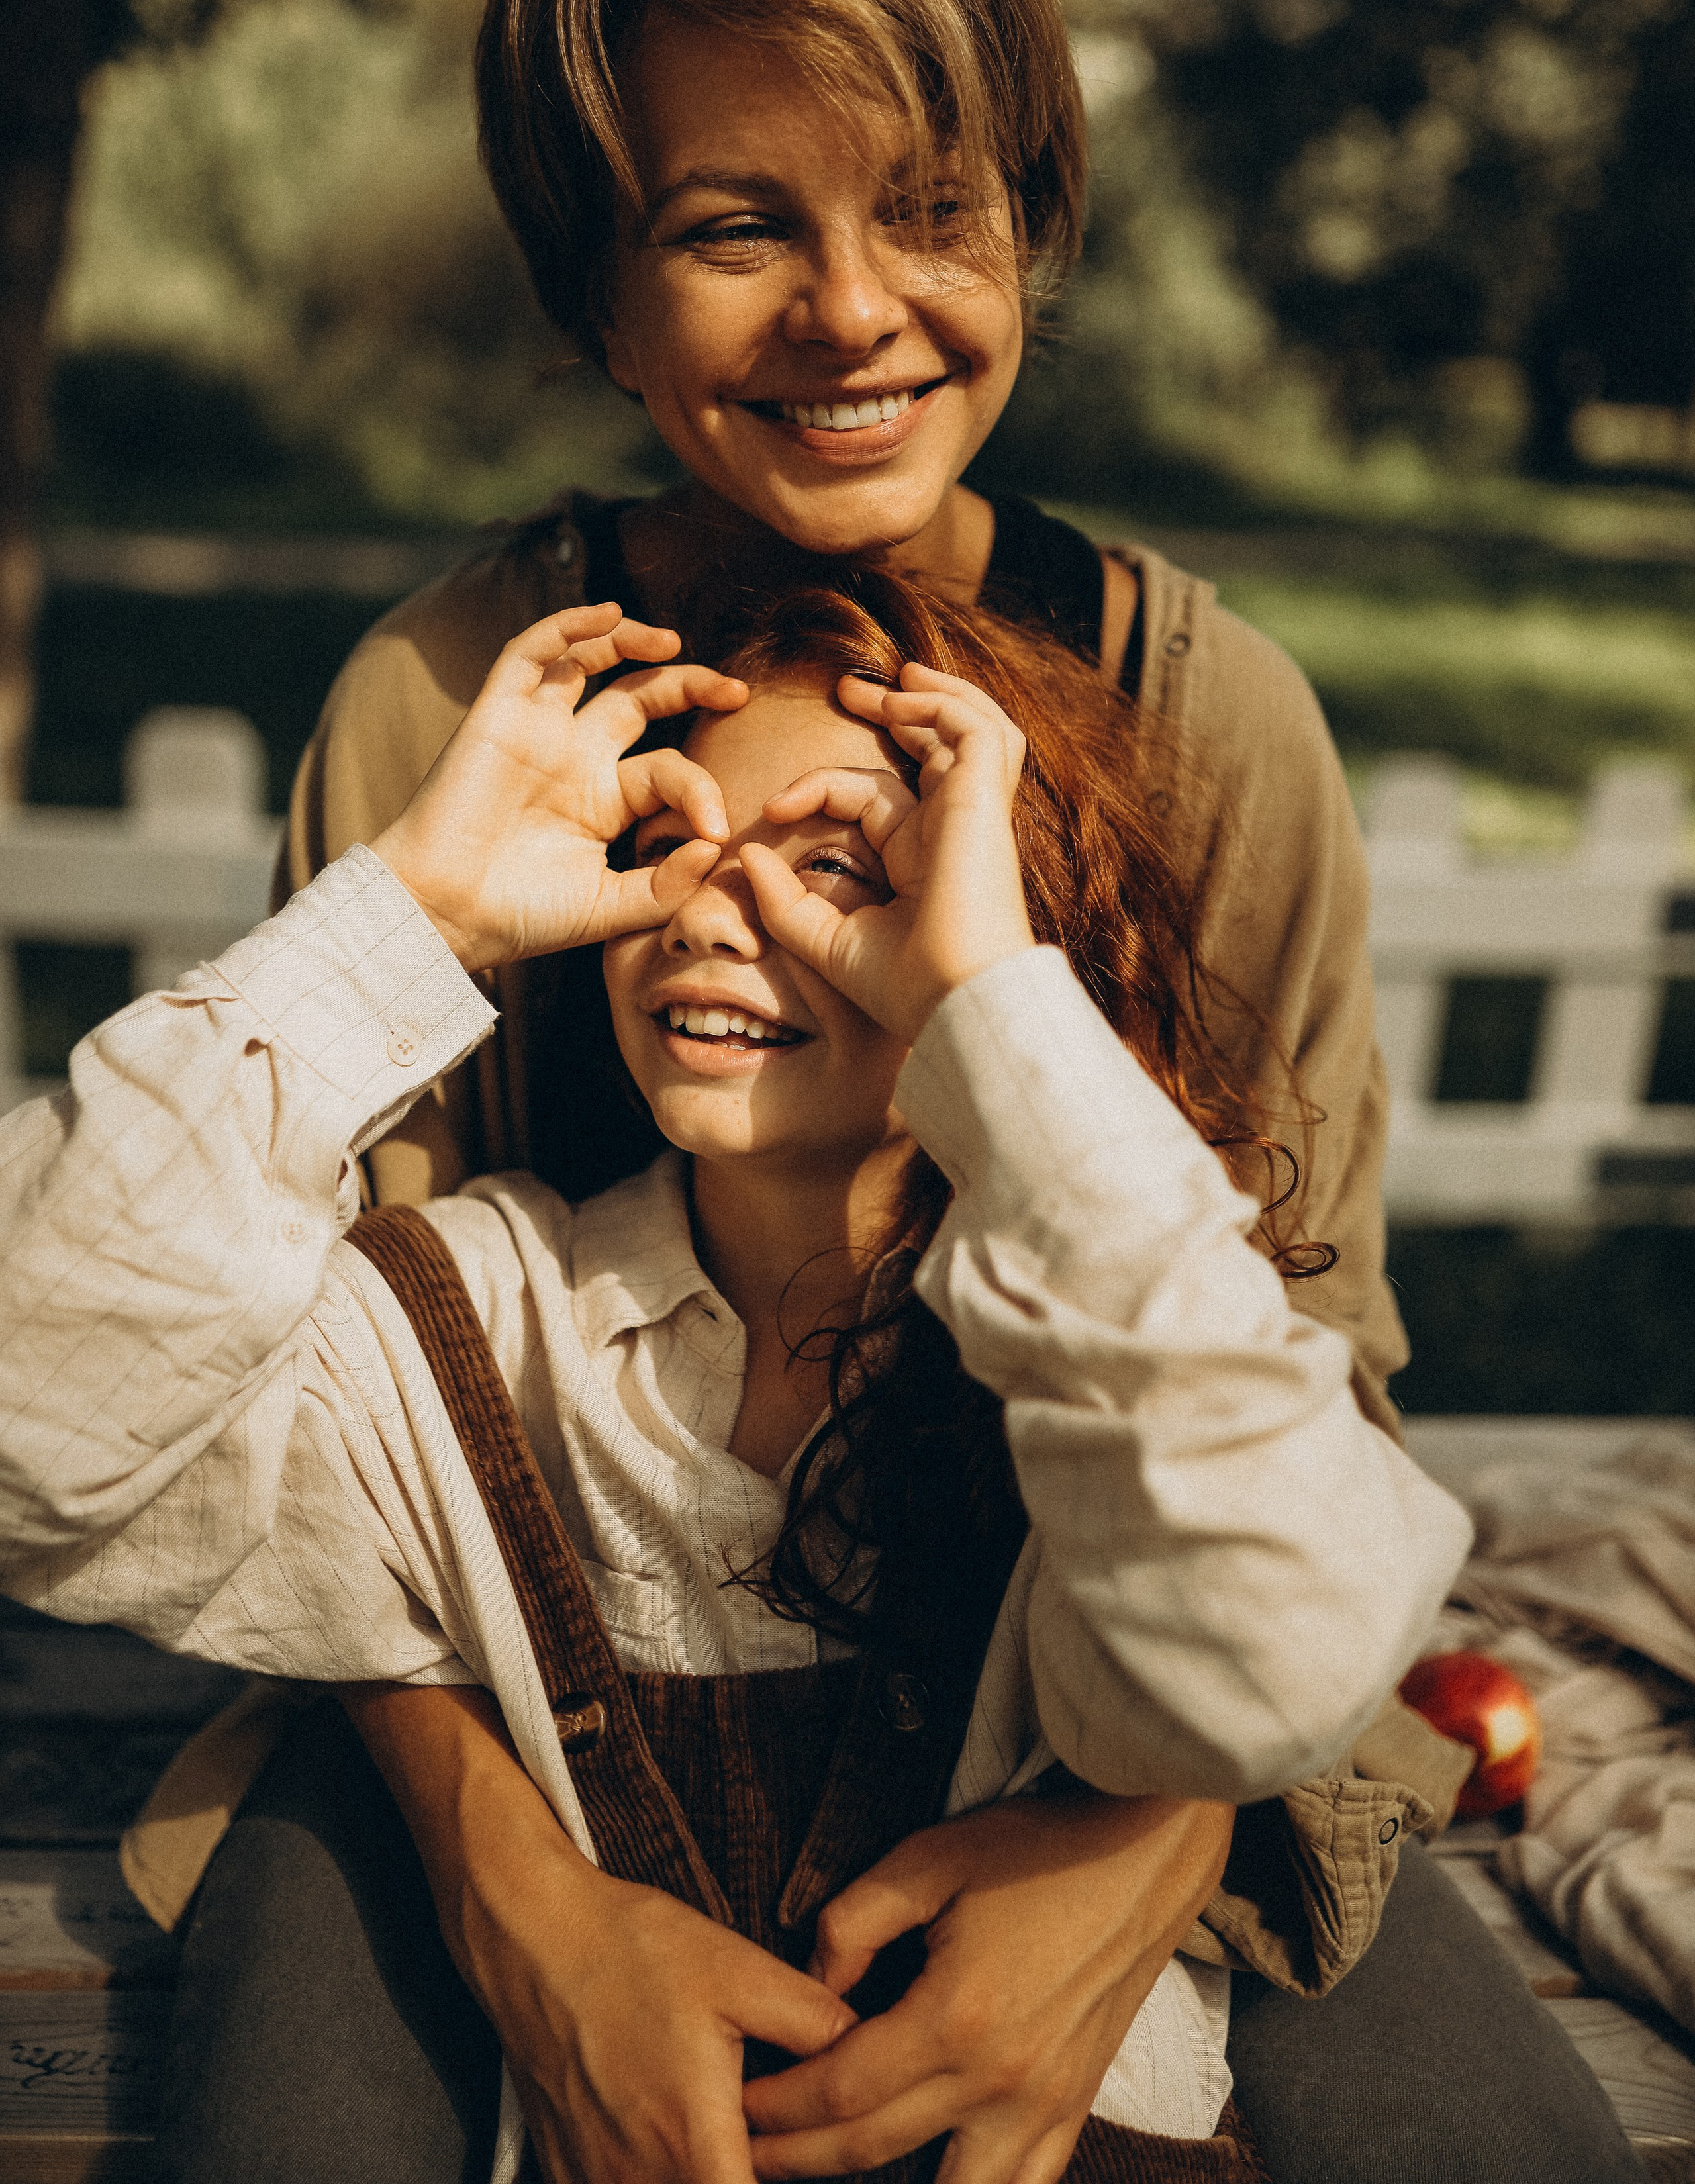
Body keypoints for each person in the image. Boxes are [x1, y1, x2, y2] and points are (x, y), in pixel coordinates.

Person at [61, 0, 1645, 2184]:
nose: (857, 313)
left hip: (1092, 1694)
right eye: (733, 228)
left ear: (1032, 219)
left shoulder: (1207, 723)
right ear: (595, 291)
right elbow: (328, 1403)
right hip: (498, 1694)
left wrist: (1121, 1879)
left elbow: (1319, 1394)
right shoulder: (449, 709)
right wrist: (531, 1920)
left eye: (933, 205)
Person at [1, 574, 1479, 2184]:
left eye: (837, 869)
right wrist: (406, 923)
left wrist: (987, 1023)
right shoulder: (471, 1321)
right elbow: (34, 1420)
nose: (712, 911)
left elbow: (1279, 1651)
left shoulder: (1108, 1364)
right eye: (672, 856)